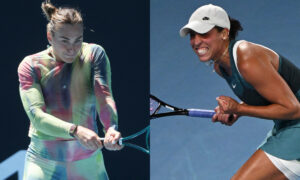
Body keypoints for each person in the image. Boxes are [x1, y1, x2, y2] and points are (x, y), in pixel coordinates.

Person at [180, 4, 300, 180]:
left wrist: (239, 109)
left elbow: (293, 109)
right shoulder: (221, 66)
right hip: (286, 125)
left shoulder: (246, 57)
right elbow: (268, 94)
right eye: (192, 35)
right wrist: (236, 111)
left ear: (224, 33)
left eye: (204, 33)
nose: (196, 41)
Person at [18, 1, 122, 179]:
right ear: (50, 36)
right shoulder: (31, 65)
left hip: (88, 163)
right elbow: (37, 117)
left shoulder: (94, 54)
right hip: (43, 162)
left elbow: (104, 96)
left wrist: (111, 127)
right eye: (64, 40)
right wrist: (76, 130)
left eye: (78, 40)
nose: (72, 48)